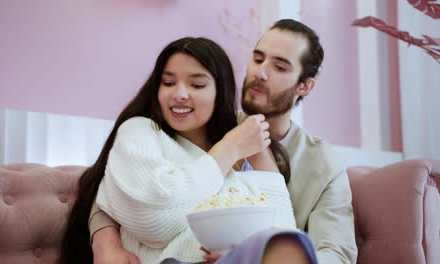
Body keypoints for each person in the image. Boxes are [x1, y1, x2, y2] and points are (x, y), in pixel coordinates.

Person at [89, 19, 358, 264]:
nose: (260, 73)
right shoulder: (208, 129)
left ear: (304, 86)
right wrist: (105, 240)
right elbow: (123, 188)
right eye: (257, 58)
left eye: (279, 66)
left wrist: (259, 258)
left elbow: (337, 253)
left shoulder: (322, 161)